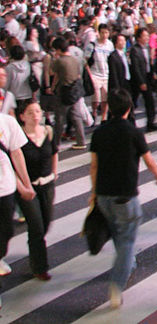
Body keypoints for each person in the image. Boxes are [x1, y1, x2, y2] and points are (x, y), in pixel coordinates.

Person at [89, 88, 157, 308]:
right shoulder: (133, 132)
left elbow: (94, 166)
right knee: (127, 242)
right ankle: (117, 284)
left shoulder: (99, 133)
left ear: (109, 108)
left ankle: (127, 265)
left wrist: (93, 193)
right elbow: (148, 159)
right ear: (129, 108)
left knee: (117, 233)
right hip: (126, 196)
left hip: (103, 195)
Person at [16, 100, 57, 280]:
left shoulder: (48, 131)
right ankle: (40, 267)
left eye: (38, 111)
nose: (35, 115)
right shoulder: (18, 137)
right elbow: (12, 164)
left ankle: (35, 254)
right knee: (37, 227)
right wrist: (22, 186)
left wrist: (54, 173)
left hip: (47, 184)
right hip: (28, 188)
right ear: (22, 116)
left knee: (46, 223)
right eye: (31, 112)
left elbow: (54, 152)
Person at [0, 108, 35, 295]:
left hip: (5, 188)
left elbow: (17, 154)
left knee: (6, 231)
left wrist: (26, 185)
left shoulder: (7, 122)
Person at [49, 37, 90, 150]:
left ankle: (56, 143)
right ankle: (81, 141)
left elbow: (52, 72)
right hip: (75, 90)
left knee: (60, 119)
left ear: (58, 49)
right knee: (76, 116)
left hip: (63, 91)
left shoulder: (59, 61)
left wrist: (52, 87)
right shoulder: (74, 59)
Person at [129, 28, 157, 131]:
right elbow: (135, 67)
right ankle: (130, 123)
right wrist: (141, 82)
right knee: (133, 101)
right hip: (138, 79)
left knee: (150, 101)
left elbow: (149, 63)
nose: (147, 38)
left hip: (148, 77)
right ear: (139, 37)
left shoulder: (147, 48)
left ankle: (151, 122)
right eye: (144, 36)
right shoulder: (135, 50)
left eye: (147, 36)